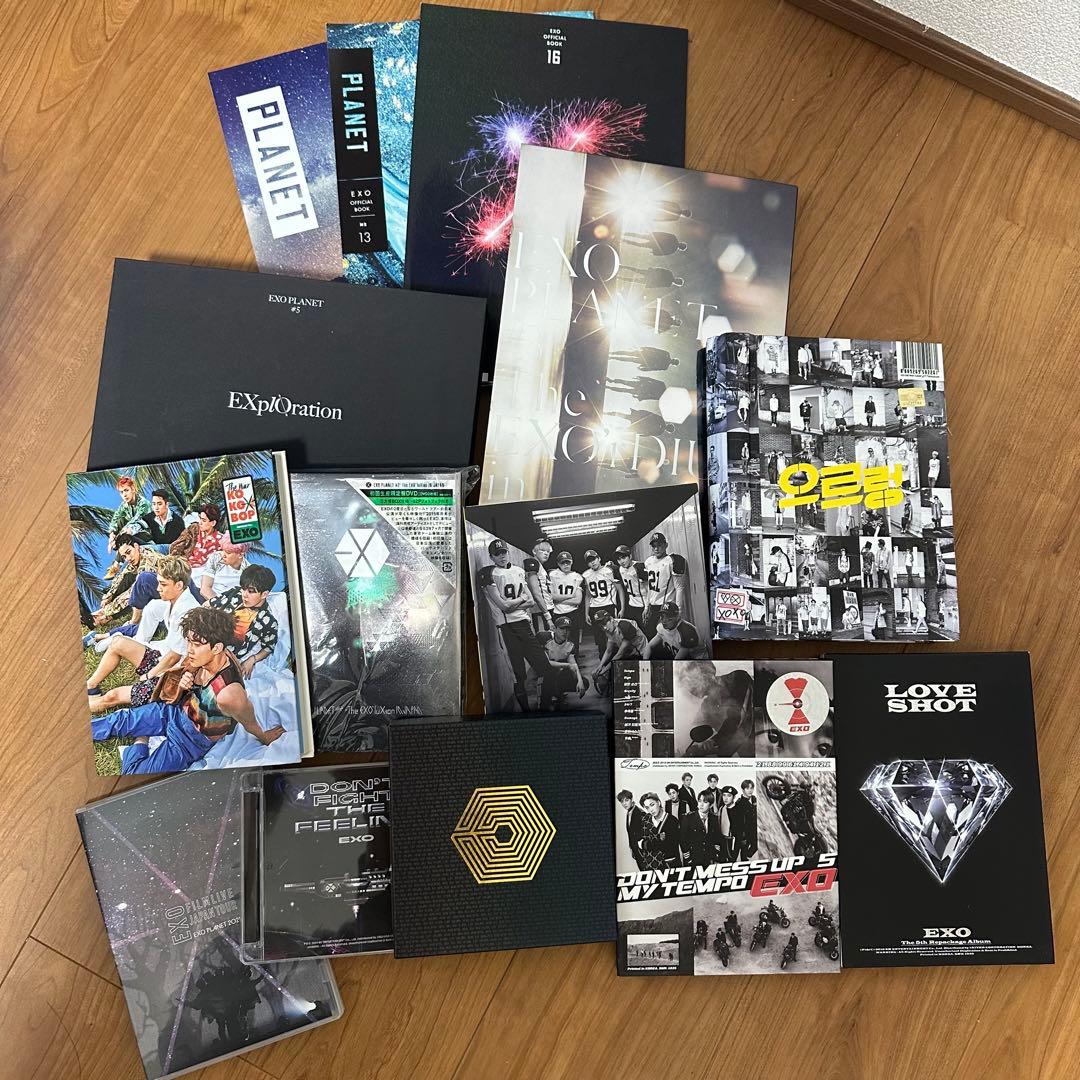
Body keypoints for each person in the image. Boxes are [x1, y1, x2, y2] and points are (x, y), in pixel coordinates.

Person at [90, 605, 286, 774]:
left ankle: (141, 738)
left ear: (217, 648)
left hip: (189, 740)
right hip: (174, 711)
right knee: (119, 719)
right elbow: (185, 673)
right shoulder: (202, 657)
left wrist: (265, 737)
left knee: (134, 772)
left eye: (197, 644)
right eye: (189, 642)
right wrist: (186, 682)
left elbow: (249, 722)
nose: (189, 649)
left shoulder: (228, 694)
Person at [86, 556, 199, 711]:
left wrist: (148, 675)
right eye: (158, 582)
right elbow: (153, 608)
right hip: (162, 659)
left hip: (172, 676)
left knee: (112, 696)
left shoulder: (186, 612)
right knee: (117, 642)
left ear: (179, 585)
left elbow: (174, 657)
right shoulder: (173, 601)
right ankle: (90, 686)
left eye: (163, 584)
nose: (158, 588)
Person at [477, 539, 556, 712]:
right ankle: (527, 714)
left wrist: (514, 603)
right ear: (491, 557)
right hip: (507, 629)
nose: (502, 556)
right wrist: (521, 599)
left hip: (524, 626)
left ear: (508, 552)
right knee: (518, 676)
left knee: (546, 669)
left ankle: (543, 708)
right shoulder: (490, 574)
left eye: (504, 552)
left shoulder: (519, 571)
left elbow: (530, 602)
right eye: (497, 554)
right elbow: (504, 606)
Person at [208, 563, 279, 679]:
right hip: (206, 641)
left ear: (264, 594)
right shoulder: (235, 594)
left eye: (250, 591)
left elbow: (269, 646)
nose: (244, 595)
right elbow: (209, 604)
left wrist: (253, 659)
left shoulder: (267, 621)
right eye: (243, 589)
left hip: (223, 658)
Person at [88, 533, 171, 629]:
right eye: (124, 557)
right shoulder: (139, 554)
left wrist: (107, 611)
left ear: (136, 546)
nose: (128, 558)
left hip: (168, 591)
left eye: (128, 552)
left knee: (135, 592)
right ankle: (101, 615)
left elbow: (133, 592)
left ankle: (105, 617)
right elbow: (121, 576)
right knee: (127, 576)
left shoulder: (148, 560)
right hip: (157, 588)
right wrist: (108, 597)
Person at [170, 504, 226, 595]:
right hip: (184, 565)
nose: (200, 522)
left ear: (213, 523)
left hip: (201, 574)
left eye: (204, 520)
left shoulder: (221, 540)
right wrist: (175, 562)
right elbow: (177, 545)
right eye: (200, 519)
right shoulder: (194, 529)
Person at [642, 532, 688, 638]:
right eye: (654, 546)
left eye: (659, 545)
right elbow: (649, 587)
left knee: (667, 637)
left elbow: (679, 587)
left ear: (666, 545)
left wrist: (678, 610)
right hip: (653, 606)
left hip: (666, 606)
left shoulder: (671, 561)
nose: (656, 549)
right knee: (651, 635)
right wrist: (646, 606)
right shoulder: (648, 562)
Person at [536, 617, 589, 707]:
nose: (565, 632)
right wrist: (568, 665)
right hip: (544, 671)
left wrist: (580, 681)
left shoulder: (570, 644)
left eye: (568, 629)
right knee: (549, 672)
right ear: (555, 629)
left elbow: (573, 664)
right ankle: (544, 698)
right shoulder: (544, 638)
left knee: (584, 682)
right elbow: (546, 662)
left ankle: (558, 693)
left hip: (558, 670)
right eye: (562, 628)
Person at [582, 549, 621, 653]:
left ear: (599, 558)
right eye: (589, 561)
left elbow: (620, 589)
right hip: (594, 607)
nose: (592, 562)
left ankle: (615, 658)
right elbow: (588, 595)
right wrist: (586, 613)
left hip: (609, 605)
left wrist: (621, 608)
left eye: (594, 559)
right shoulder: (586, 575)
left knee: (613, 635)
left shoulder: (609, 570)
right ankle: (602, 658)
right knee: (599, 638)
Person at [594, 613, 649, 684]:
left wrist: (604, 671)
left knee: (630, 679)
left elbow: (620, 654)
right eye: (601, 626)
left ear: (611, 619)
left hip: (640, 653)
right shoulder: (609, 628)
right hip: (629, 652)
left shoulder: (624, 626)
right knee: (604, 657)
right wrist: (599, 666)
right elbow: (609, 651)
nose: (604, 628)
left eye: (605, 624)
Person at [548, 551, 585, 644]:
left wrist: (558, 600)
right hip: (558, 613)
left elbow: (578, 600)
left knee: (574, 641)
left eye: (567, 562)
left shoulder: (577, 577)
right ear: (558, 564)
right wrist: (570, 596)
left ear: (571, 562)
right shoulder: (552, 574)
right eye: (563, 563)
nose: (565, 565)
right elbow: (551, 596)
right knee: (559, 641)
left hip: (573, 612)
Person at [638, 793, 680, 870]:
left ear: (659, 802)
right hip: (650, 865)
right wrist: (658, 839)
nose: (651, 810)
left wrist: (645, 844)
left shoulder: (672, 821)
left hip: (669, 864)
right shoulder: (645, 820)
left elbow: (668, 846)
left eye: (652, 805)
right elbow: (638, 841)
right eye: (647, 807)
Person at [106, 477, 150, 552]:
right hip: (131, 531)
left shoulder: (144, 503)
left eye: (126, 490)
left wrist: (122, 533)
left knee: (131, 529)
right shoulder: (124, 505)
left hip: (146, 533)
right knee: (120, 520)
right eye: (121, 492)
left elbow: (137, 520)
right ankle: (118, 543)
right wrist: (112, 534)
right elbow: (115, 518)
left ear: (133, 489)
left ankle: (121, 542)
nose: (124, 495)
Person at [681, 791, 722, 867]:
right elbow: (683, 839)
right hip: (693, 859)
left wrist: (716, 856)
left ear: (711, 805)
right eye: (700, 801)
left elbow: (717, 838)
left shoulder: (714, 819)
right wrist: (688, 858)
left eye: (705, 802)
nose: (701, 804)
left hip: (709, 859)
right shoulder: (688, 818)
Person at [523, 538, 554, 634]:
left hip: (547, 608)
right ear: (534, 551)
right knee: (544, 638)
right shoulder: (533, 564)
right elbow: (536, 593)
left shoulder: (541, 567)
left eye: (548, 551)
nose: (546, 553)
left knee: (551, 637)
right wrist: (547, 616)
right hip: (540, 611)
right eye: (543, 550)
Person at [613, 545, 647, 628]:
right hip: (631, 604)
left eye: (624, 557)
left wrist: (647, 607)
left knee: (646, 630)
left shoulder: (639, 567)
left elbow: (648, 589)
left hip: (642, 604)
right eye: (619, 559)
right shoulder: (620, 569)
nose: (621, 561)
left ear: (630, 556)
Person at [617, 790, 647, 869]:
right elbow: (631, 833)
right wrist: (632, 848)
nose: (624, 803)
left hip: (643, 850)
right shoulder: (629, 812)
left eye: (626, 800)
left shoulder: (640, 812)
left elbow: (646, 833)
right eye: (622, 801)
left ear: (631, 799)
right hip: (635, 849)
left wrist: (642, 850)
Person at [731, 779, 758, 858]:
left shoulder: (754, 799)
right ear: (743, 790)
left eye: (751, 788)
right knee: (740, 853)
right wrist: (742, 837)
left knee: (754, 847)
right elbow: (738, 822)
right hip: (743, 834)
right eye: (747, 788)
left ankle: (747, 856)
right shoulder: (739, 803)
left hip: (753, 831)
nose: (750, 790)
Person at [713, 786, 738, 860]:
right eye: (724, 795)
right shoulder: (722, 808)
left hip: (733, 841)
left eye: (729, 796)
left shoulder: (738, 809)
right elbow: (718, 825)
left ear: (734, 797)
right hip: (722, 840)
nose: (726, 798)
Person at [608, 347, 678, 372]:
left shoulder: (665, 366)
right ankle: (612, 354)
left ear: (673, 364)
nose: (672, 361)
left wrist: (644, 368)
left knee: (629, 358)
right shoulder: (666, 355)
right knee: (629, 354)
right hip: (646, 355)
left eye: (674, 362)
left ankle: (612, 356)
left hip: (646, 360)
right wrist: (646, 348)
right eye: (674, 361)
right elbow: (656, 350)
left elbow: (654, 368)